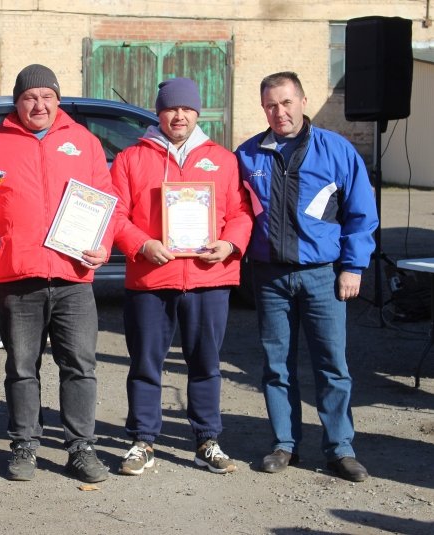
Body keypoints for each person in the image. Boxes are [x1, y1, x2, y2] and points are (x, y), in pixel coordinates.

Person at [0, 64, 113, 483]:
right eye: (30, 97)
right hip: (18, 273)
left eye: (46, 97)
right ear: (17, 102)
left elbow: (108, 200)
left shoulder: (83, 142)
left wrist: (104, 242)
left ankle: (81, 447)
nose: (39, 105)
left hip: (73, 275)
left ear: (57, 100)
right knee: (22, 365)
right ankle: (24, 443)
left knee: (80, 365)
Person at [235, 71, 377, 483]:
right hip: (270, 277)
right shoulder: (248, 155)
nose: (279, 112)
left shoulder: (337, 151)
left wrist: (353, 267)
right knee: (276, 365)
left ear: (302, 100)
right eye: (270, 105)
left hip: (323, 276)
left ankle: (339, 448)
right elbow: (235, 213)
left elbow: (361, 214)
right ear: (263, 109)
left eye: (286, 102)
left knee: (332, 365)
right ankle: (284, 444)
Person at [111, 78, 253, 476]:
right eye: (171, 109)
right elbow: (116, 215)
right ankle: (143, 440)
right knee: (144, 363)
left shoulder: (223, 159)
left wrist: (230, 244)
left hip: (209, 277)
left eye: (187, 109)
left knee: (206, 363)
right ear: (159, 113)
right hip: (151, 278)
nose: (179, 116)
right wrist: (141, 244)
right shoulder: (130, 159)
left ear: (197, 112)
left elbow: (241, 213)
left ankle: (207, 440)